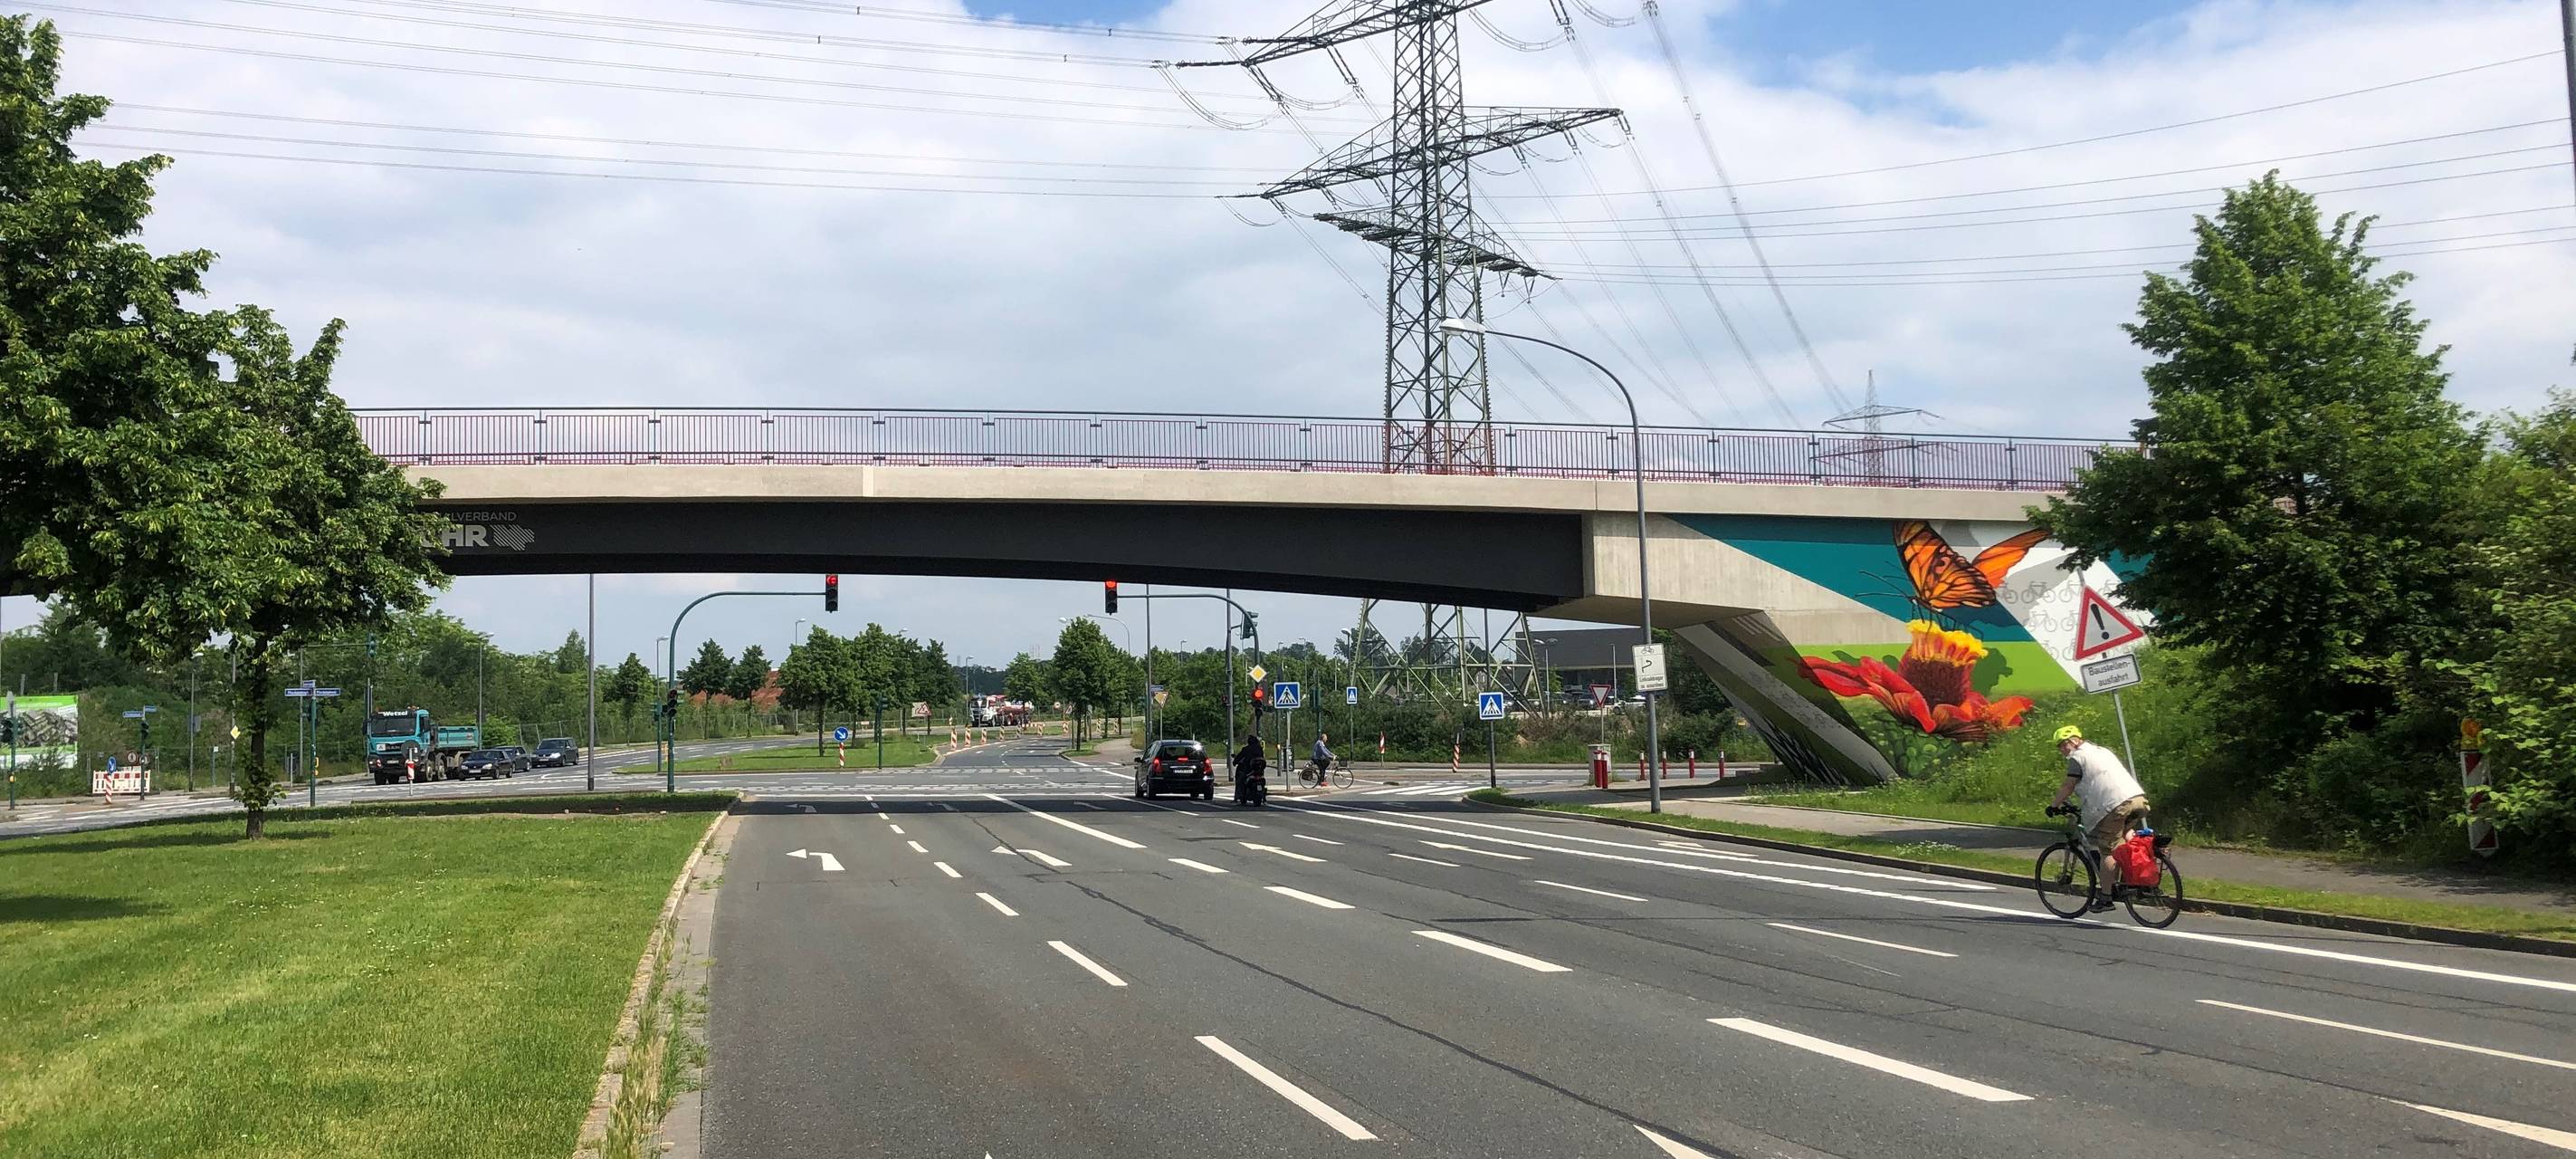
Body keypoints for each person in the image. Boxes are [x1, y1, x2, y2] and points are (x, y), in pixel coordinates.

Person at [2046, 724, 2150, 912]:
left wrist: (2053, 806)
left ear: (2075, 740)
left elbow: (2068, 786)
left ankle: (2106, 898)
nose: (2062, 750)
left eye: (2063, 744)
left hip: (2116, 804)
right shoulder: (2102, 751)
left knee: (2107, 850)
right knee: (2127, 836)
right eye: (2059, 747)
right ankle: (2139, 877)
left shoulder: (2077, 757)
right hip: (2137, 799)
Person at [1233, 733, 1267, 803]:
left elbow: (1239, 757)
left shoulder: (1246, 749)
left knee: (1240, 781)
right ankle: (1263, 797)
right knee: (1262, 780)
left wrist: (1235, 762)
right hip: (1259, 771)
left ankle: (1238, 796)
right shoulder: (1259, 749)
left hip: (1248, 770)